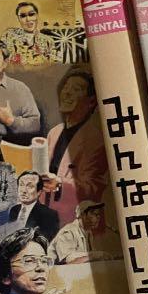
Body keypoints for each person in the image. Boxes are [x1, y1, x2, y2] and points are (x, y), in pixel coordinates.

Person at [40, 69, 107, 226]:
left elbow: (93, 188)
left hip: (70, 218)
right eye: (66, 87)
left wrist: (60, 184)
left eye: (76, 89)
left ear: (91, 102)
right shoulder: (55, 132)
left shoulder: (95, 139)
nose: (67, 93)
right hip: (44, 211)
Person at [51, 199, 122, 264]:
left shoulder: (88, 233)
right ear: (83, 215)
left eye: (98, 214)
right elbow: (70, 261)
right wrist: (96, 255)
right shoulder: (69, 232)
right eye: (94, 213)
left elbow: (89, 258)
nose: (98, 217)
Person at [7, 170, 60, 242]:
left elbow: (46, 243)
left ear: (39, 192)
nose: (24, 191)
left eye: (30, 186)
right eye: (21, 185)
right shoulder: (14, 210)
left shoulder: (49, 214)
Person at [1, 1, 55, 67]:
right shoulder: (8, 35)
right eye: (23, 16)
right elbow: (1, 60)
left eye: (31, 14)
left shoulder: (48, 41)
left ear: (37, 16)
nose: (28, 19)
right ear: (18, 18)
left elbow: (52, 66)